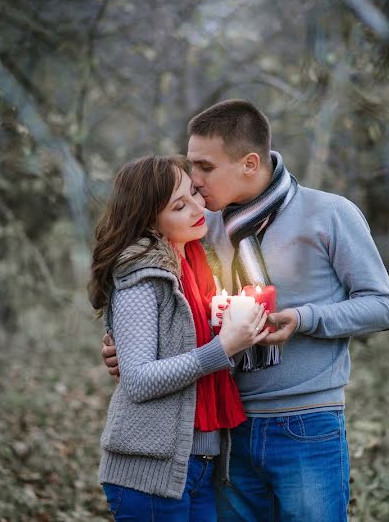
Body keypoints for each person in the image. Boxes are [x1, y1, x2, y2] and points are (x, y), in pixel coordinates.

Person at [102, 100, 389, 521]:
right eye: (191, 166)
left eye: (205, 167)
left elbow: (382, 307)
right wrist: (129, 349)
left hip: (305, 423)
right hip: (227, 432)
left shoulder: (329, 214)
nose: (194, 180)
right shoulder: (205, 226)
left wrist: (302, 320)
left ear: (249, 162)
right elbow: (174, 307)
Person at [90, 154, 271, 521]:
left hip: (201, 463)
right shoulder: (143, 277)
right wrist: (223, 348)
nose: (196, 208)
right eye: (179, 205)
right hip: (152, 474)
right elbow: (139, 380)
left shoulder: (194, 263)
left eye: (193, 194)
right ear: (150, 221)